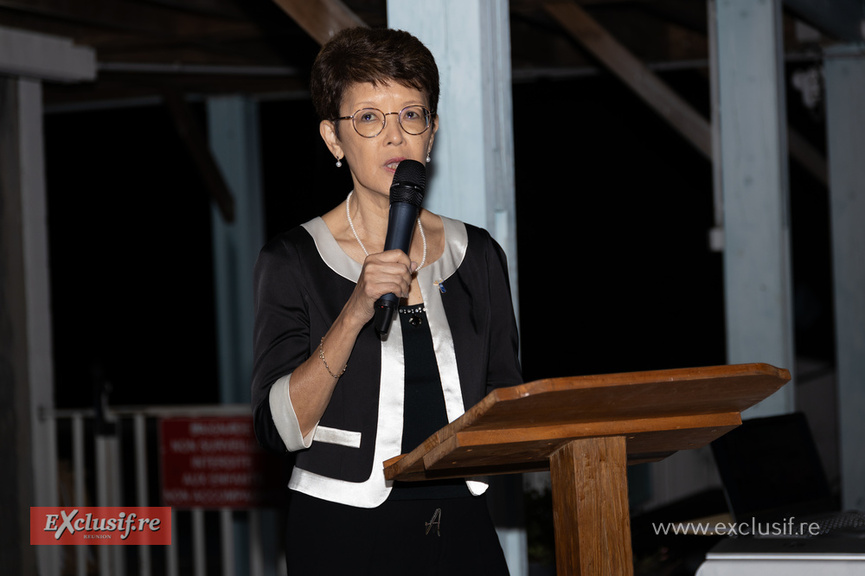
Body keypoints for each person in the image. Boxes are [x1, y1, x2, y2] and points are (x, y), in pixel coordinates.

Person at [251, 26, 522, 575]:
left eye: (412, 115)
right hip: (343, 529)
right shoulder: (294, 260)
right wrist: (353, 312)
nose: (395, 136)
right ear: (333, 137)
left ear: (432, 130)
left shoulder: (479, 255)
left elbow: (507, 399)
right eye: (370, 118)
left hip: (462, 520)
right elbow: (277, 429)